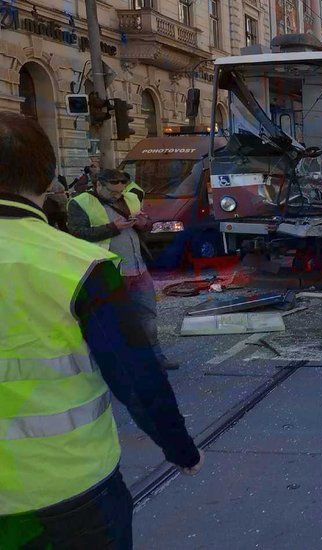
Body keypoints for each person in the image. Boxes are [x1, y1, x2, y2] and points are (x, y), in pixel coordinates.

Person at [0, 112, 202, 549]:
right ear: (50, 175)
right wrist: (179, 447)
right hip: (65, 489)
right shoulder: (76, 266)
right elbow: (135, 375)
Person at [67, 168, 179, 370]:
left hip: (138, 268)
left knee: (147, 316)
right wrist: (112, 227)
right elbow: (76, 235)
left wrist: (144, 224)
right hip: (108, 270)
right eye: (112, 192)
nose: (117, 195)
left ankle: (155, 358)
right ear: (99, 185)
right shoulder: (80, 203)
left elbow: (146, 228)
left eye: (120, 191)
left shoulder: (129, 199)